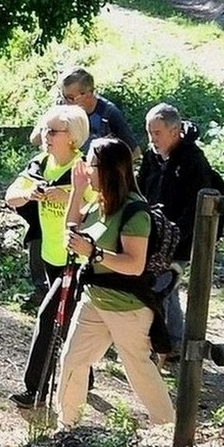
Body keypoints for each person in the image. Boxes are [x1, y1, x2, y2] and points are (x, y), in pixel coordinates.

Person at [57, 135, 176, 431]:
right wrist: (77, 191)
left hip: (128, 308)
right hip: (94, 301)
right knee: (72, 361)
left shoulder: (135, 212)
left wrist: (94, 253)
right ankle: (66, 428)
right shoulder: (100, 202)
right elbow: (72, 230)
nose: (86, 169)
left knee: (138, 370)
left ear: (110, 170)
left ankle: (168, 430)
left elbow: (134, 265)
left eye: (91, 164)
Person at [6, 103, 91, 407]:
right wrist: (30, 194)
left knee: (48, 317)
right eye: (44, 129)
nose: (46, 135)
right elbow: (11, 197)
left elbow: (99, 209)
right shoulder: (40, 164)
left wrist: (68, 196)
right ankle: (86, 377)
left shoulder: (84, 169)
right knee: (68, 321)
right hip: (50, 257)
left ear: (72, 137)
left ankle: (35, 391)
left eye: (53, 131)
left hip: (77, 260)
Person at [139, 103, 224, 360]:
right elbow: (141, 190)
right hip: (152, 233)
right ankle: (173, 341)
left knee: (163, 287)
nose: (152, 139)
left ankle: (166, 344)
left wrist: (173, 237)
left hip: (181, 238)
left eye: (157, 133)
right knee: (167, 287)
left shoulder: (193, 161)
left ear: (174, 132)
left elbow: (195, 208)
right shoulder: (152, 156)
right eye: (149, 132)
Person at [59, 63, 128, 151]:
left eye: (70, 98)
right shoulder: (62, 110)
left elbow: (134, 152)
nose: (65, 103)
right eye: (63, 96)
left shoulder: (110, 114)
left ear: (88, 94)